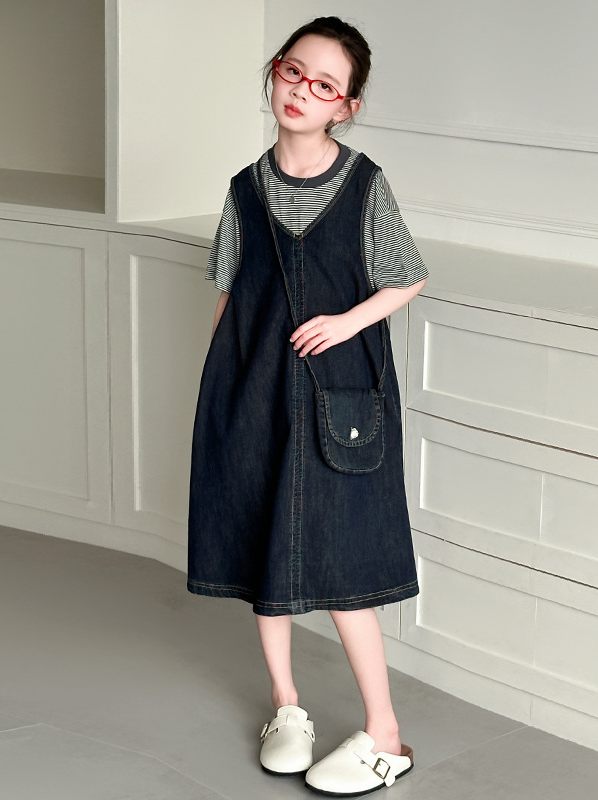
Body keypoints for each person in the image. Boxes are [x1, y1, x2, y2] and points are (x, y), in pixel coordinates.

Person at [187, 15, 427, 797]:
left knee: (344, 563)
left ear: (345, 107)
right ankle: (287, 707)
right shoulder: (243, 189)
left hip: (338, 398)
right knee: (264, 553)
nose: (302, 91)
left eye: (325, 85)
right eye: (294, 71)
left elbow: (408, 275)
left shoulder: (364, 185)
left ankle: (385, 733)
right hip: (254, 392)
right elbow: (229, 295)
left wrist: (347, 322)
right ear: (276, 70)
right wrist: (222, 397)